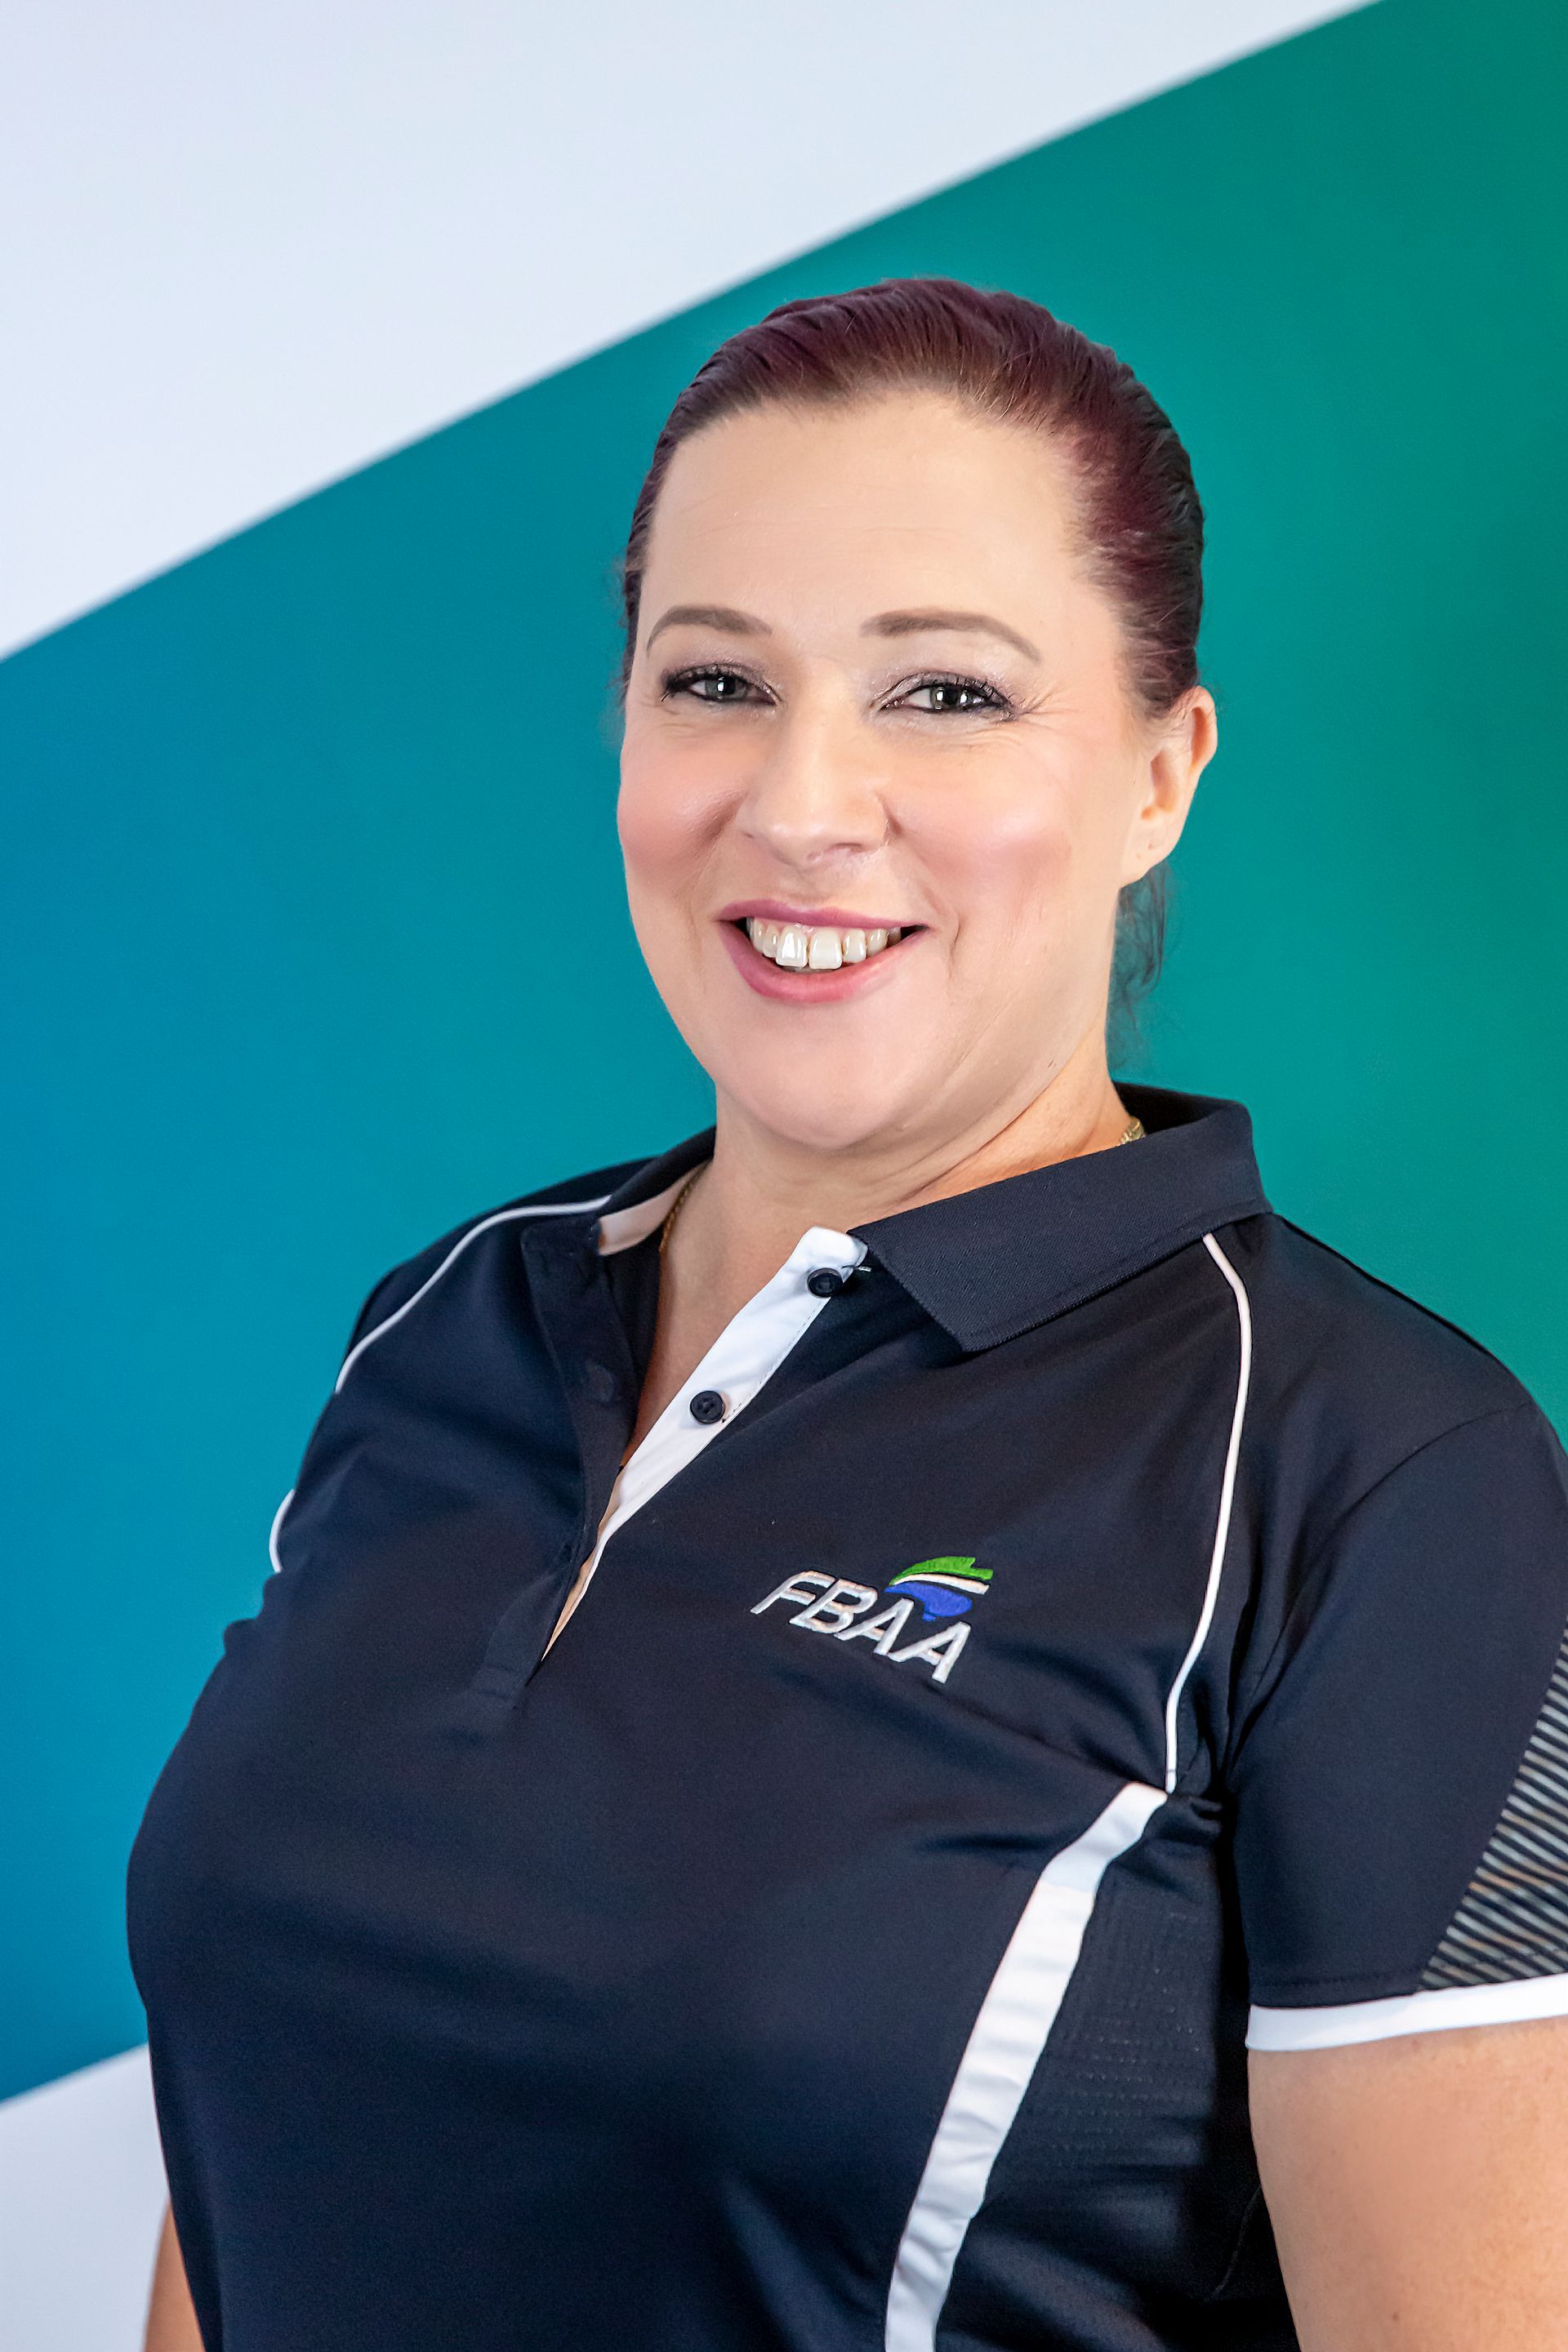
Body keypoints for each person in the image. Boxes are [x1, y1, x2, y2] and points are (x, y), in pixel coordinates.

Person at [131, 278, 1568, 2352]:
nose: (803, 803)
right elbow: (252, 2143)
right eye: (716, 678)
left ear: (1162, 772)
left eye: (948, 696)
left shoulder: (1376, 1476)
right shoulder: (445, 1319)